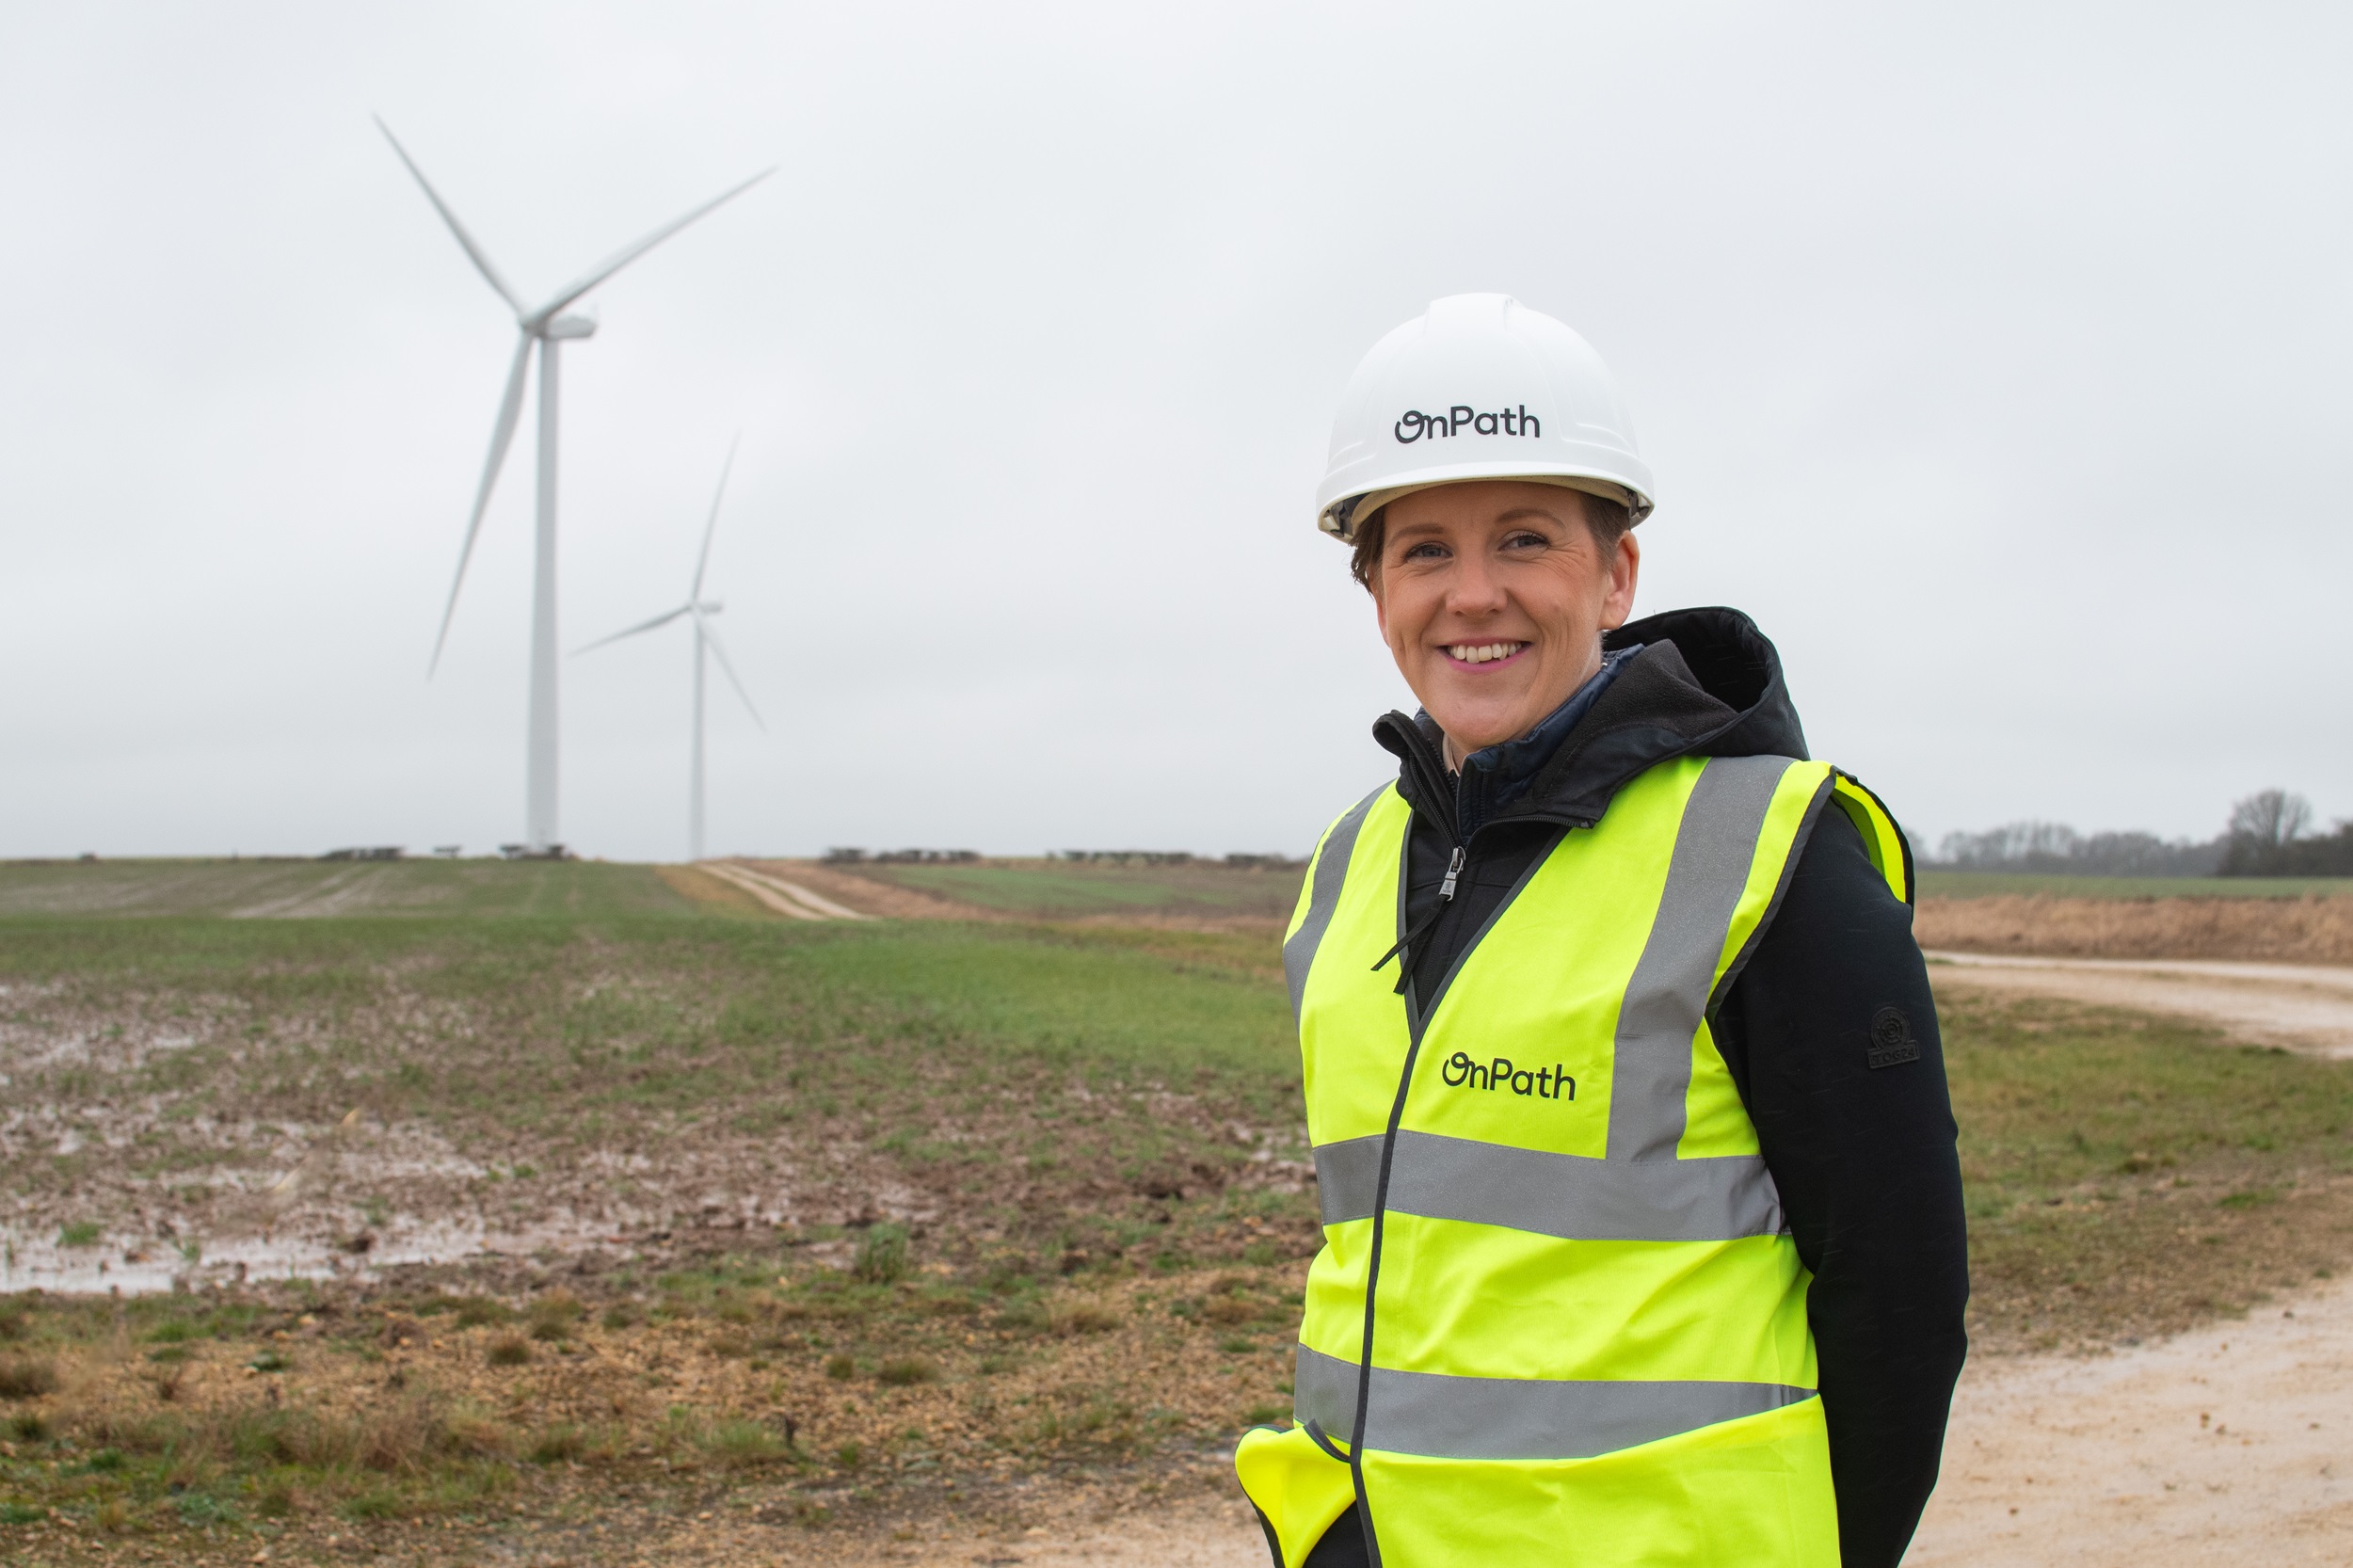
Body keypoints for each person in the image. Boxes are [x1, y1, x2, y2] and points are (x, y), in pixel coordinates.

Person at [1233, 295, 1967, 1568]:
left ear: (1616, 571)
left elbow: (1898, 1293)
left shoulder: (1769, 858)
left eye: (1524, 539)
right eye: (1422, 551)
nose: (1474, 596)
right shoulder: (1352, 866)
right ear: (1374, 589)